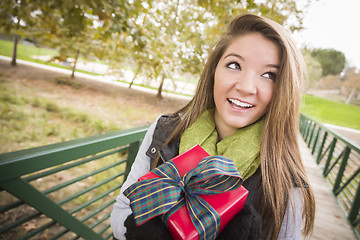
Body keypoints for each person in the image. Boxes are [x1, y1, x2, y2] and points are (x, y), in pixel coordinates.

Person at [111, 13, 315, 240]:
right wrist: (139, 231)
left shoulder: (285, 179)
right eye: (234, 65)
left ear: (283, 91)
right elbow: (121, 211)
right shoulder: (164, 131)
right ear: (214, 71)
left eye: (269, 75)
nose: (246, 87)